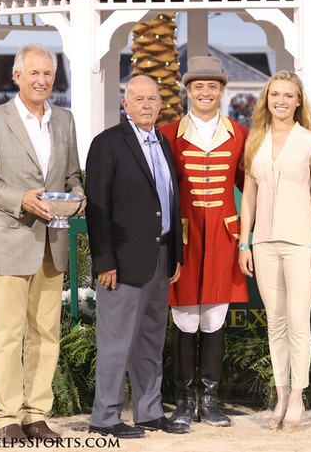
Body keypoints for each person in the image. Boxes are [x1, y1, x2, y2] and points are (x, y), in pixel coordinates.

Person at [0, 43, 84, 441]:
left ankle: (36, 413)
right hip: (12, 241)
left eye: (47, 73)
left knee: (47, 334)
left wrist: (78, 197)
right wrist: (20, 200)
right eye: (33, 73)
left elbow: (72, 176)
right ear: (17, 76)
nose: (41, 80)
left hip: (53, 244)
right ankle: (7, 417)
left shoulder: (64, 121)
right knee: (10, 335)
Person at [85, 75, 187, 439]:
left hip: (160, 258)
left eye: (152, 99)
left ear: (161, 105)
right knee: (115, 341)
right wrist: (104, 261)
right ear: (124, 104)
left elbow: (171, 201)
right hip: (122, 263)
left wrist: (175, 252)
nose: (146, 105)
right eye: (138, 99)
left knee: (150, 340)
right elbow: (96, 208)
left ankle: (149, 410)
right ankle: (105, 417)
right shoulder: (107, 144)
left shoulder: (162, 142)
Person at [160, 56, 249, 429]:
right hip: (185, 236)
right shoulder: (168, 134)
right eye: (198, 86)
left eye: (213, 86)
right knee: (184, 316)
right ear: (188, 90)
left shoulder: (241, 134)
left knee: (214, 318)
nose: (206, 92)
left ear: (222, 91)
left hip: (225, 236)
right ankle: (183, 399)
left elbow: (253, 185)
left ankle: (210, 399)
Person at [237, 71, 311, 431]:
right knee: (274, 323)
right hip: (263, 243)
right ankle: (281, 392)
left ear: (298, 101)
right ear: (267, 99)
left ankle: (298, 396)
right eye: (275, 94)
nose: (281, 101)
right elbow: (249, 197)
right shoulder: (254, 140)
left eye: (288, 95)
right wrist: (245, 242)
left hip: (302, 241)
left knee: (297, 322)